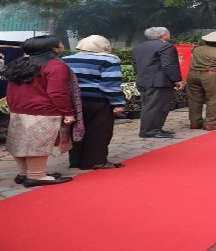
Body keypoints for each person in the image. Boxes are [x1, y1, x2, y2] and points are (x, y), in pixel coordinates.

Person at [4, 35, 80, 187]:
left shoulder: (19, 63)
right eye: (60, 43)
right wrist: (68, 112)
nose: (62, 44)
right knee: (37, 145)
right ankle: (36, 176)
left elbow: (10, 89)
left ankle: (24, 173)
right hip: (43, 111)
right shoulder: (56, 66)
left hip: (18, 110)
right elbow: (58, 93)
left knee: (20, 143)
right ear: (54, 48)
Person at [63, 35, 126, 169]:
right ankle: (96, 160)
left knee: (77, 130)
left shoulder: (66, 59)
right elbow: (110, 84)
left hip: (73, 101)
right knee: (99, 131)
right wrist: (118, 103)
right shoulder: (108, 60)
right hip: (98, 100)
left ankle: (76, 160)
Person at [133, 27, 184, 138]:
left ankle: (153, 128)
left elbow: (136, 65)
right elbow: (169, 64)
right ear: (163, 35)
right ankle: (150, 130)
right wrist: (177, 79)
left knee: (148, 106)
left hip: (143, 80)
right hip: (159, 82)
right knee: (158, 107)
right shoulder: (166, 46)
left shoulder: (139, 47)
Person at [186, 31, 216, 131]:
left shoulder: (197, 49)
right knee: (214, 98)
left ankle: (195, 122)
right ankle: (211, 123)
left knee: (194, 100)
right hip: (211, 76)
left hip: (193, 74)